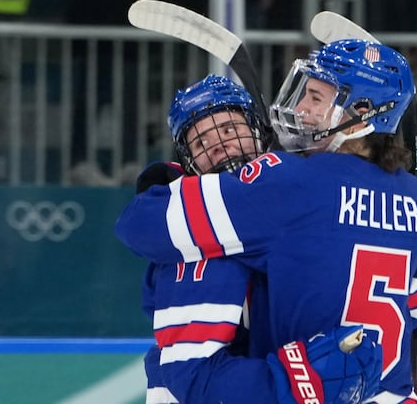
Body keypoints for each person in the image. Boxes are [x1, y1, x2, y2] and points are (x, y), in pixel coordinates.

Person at [117, 40, 417, 403]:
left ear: (361, 112)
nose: (300, 108)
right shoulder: (415, 198)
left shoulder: (290, 181)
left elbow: (142, 227)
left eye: (316, 99)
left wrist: (172, 183)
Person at [133, 74, 382, 404]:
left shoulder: (288, 205)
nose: (219, 145)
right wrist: (298, 385)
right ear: (188, 161)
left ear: (258, 134)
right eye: (200, 143)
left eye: (227, 130)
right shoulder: (193, 243)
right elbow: (191, 377)